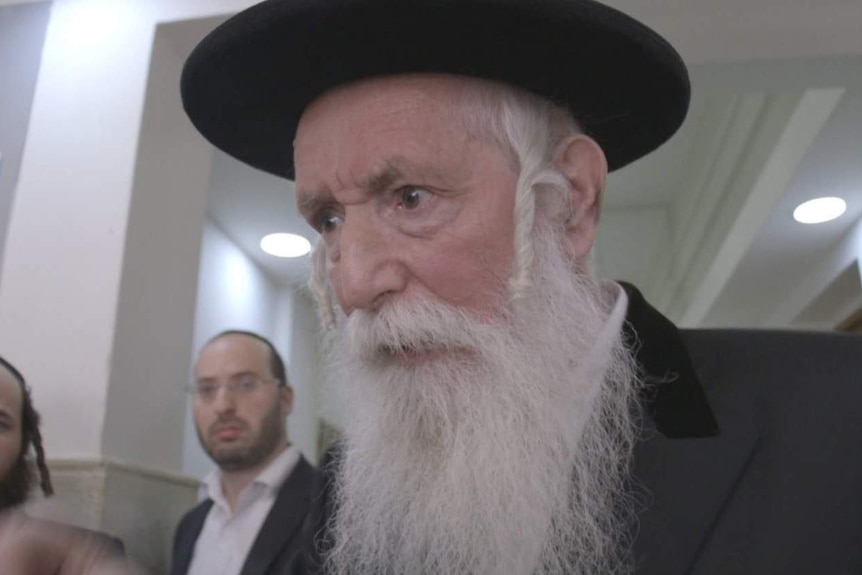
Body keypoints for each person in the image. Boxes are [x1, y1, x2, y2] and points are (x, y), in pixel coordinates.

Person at [2, 0, 862, 574]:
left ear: (569, 202)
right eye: (327, 221)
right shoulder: (347, 492)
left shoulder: (836, 417)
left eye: (410, 198)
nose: (355, 279)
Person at [171, 330, 318, 575]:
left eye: (245, 384)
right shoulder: (189, 526)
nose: (223, 406)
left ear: (285, 399)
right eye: (207, 389)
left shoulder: (333, 510)